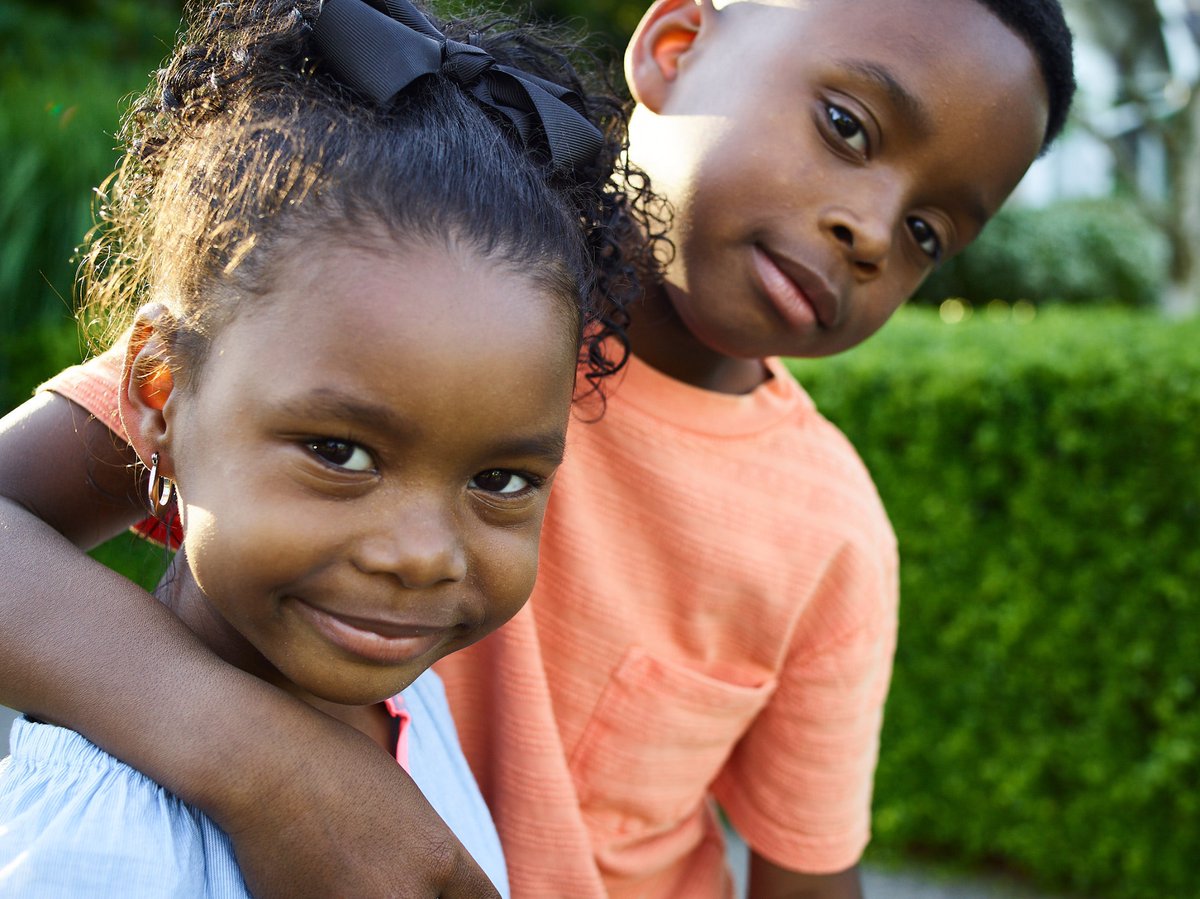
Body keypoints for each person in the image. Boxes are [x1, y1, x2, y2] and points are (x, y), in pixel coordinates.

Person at [0, 0, 1076, 896]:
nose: (875, 230)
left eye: (932, 232)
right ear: (676, 44)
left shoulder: (830, 531)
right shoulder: (371, 279)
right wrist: (272, 768)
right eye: (847, 124)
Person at [0, 0, 660, 895]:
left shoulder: (403, 696)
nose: (422, 555)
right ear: (159, 394)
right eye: (340, 454)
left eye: (500, 478)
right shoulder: (95, 851)